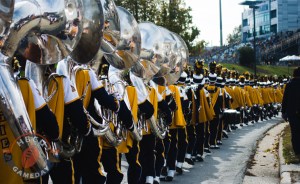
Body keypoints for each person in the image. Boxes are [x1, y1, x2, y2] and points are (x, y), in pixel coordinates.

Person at [282, 67, 300, 158]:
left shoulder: (289, 85)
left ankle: (297, 151)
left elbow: (285, 99)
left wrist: (283, 112)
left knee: (294, 132)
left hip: (292, 112)